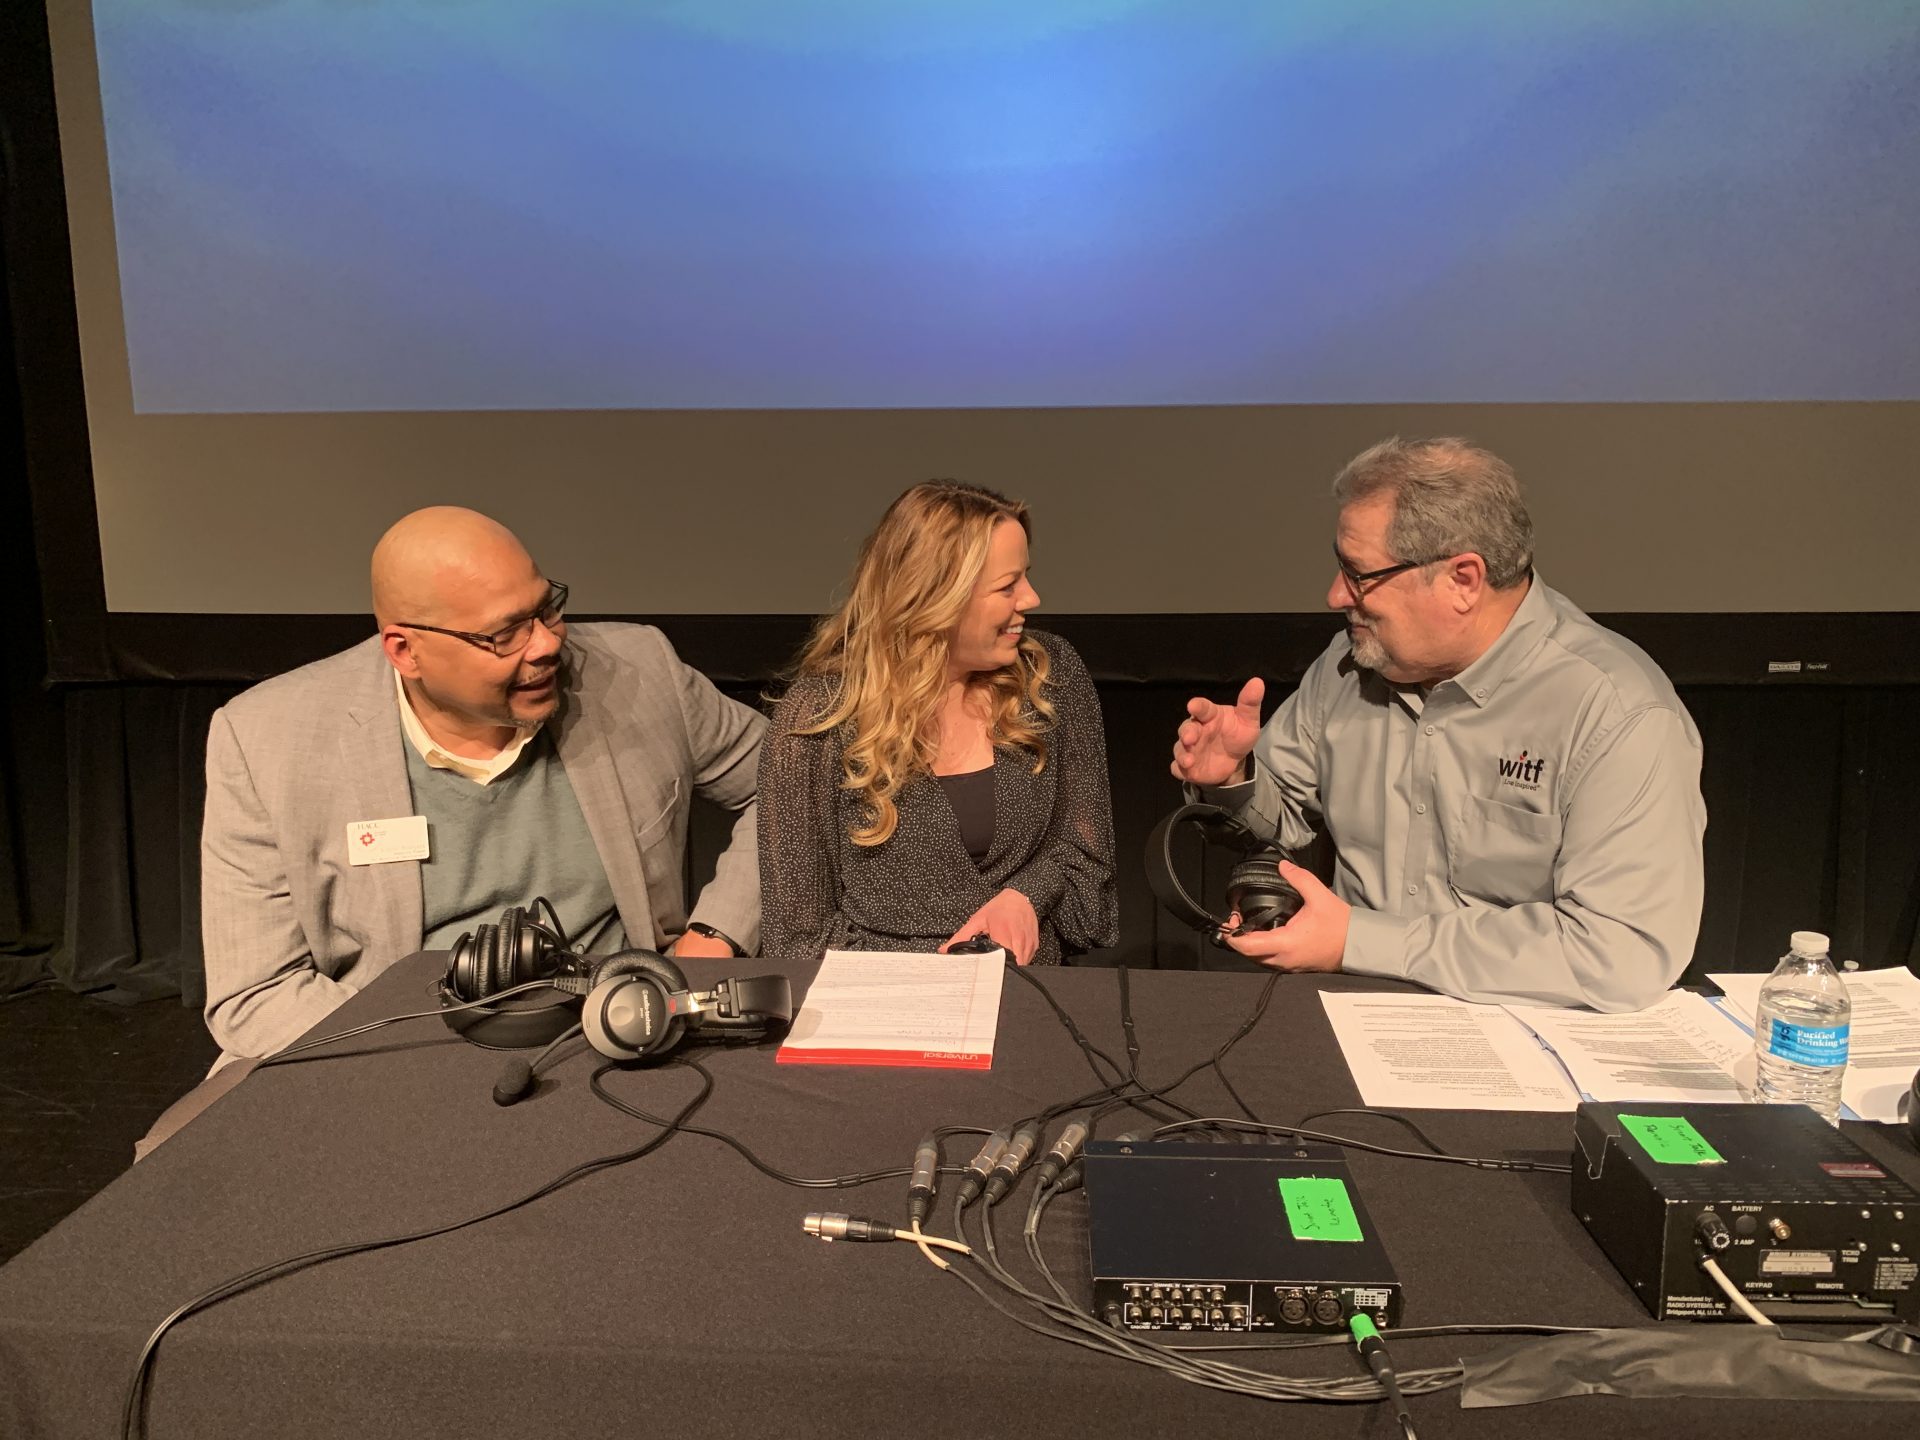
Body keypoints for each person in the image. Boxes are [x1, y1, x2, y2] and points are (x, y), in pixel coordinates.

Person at [142, 507, 764, 1155]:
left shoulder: (638, 671)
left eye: (546, 608)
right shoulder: (268, 738)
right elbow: (256, 993)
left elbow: (787, 788)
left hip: (613, 1041)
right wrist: (433, 1062)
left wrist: (714, 933)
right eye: (503, 635)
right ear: (404, 650)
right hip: (384, 1059)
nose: (547, 643)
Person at [1171, 438, 1705, 1011]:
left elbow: (1621, 953)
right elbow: (1280, 822)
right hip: (1349, 1012)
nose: (1333, 596)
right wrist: (1233, 780)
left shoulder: (1616, 713)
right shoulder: (1348, 666)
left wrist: (1360, 940)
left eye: (1359, 575)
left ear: (1463, 580)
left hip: (1523, 1034)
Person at [759, 481, 1117, 965]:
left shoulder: (1048, 677)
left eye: (1025, 577)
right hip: (882, 1010)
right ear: (936, 598)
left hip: (1029, 992)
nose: (1030, 599)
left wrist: (1025, 896)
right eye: (1007, 586)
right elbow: (797, 936)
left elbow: (1085, 854)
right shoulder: (817, 721)